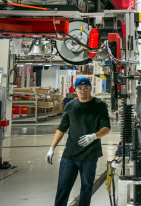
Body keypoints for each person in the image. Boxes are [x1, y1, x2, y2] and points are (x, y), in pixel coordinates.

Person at [46, 77, 111, 206]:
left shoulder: (99, 105)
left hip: (89, 155)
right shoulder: (70, 106)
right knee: (63, 188)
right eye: (79, 88)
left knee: (86, 188)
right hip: (70, 155)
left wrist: (94, 136)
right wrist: (52, 148)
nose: (83, 91)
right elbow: (62, 128)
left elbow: (106, 128)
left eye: (86, 88)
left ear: (90, 89)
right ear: (75, 90)